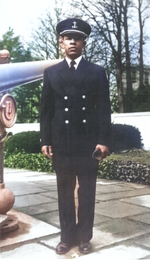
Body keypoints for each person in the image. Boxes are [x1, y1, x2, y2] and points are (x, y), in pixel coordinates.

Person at [40, 18, 111, 255]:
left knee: (87, 191)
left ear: (84, 43)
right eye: (68, 38)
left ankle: (84, 237)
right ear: (61, 42)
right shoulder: (51, 73)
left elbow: (103, 109)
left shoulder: (97, 72)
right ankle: (66, 237)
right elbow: (46, 110)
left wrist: (103, 141)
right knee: (64, 192)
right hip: (62, 143)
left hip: (88, 143)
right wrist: (45, 140)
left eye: (78, 38)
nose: (73, 42)